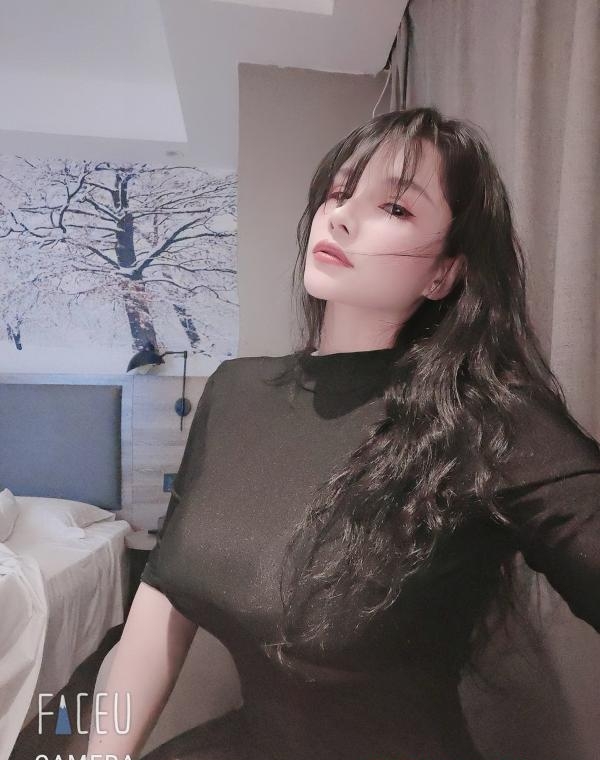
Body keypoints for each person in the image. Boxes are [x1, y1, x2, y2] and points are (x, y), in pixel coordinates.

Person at [87, 106, 600, 760]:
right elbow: (165, 592)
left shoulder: (486, 418)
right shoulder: (236, 392)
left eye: (395, 207)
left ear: (444, 273)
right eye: (339, 192)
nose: (341, 216)